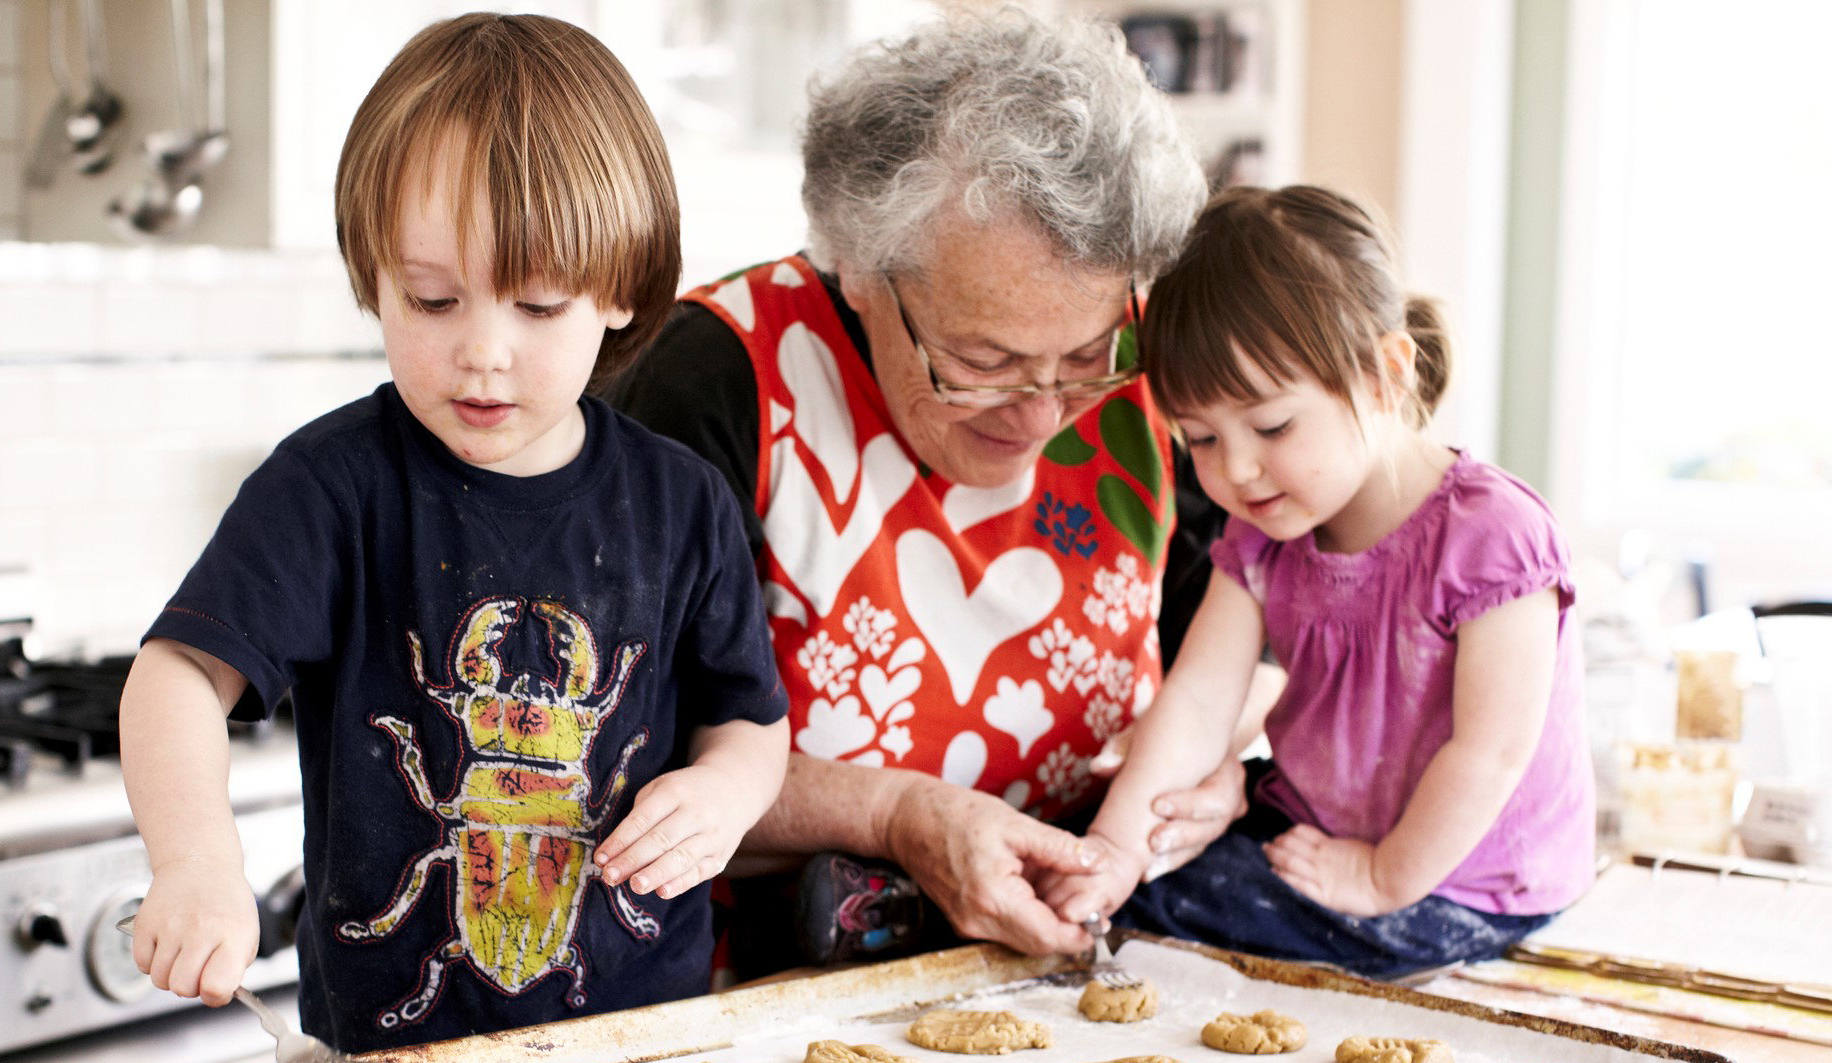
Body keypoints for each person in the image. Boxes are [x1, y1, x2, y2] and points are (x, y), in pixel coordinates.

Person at [117, 14, 790, 1051]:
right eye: (431, 300)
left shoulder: (684, 503)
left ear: (616, 291)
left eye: (535, 303)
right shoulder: (329, 489)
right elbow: (176, 676)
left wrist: (725, 794)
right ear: (371, 279)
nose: (481, 351)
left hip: (641, 1053)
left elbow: (748, 721)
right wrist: (197, 864)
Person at [607, 11, 1255, 968]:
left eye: (1083, 357)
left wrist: (1221, 768)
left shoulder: (1158, 365)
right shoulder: (717, 380)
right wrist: (901, 815)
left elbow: (1242, 637)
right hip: (772, 989)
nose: (1042, 413)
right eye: (981, 362)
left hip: (1090, 961)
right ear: (860, 265)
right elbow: (623, 758)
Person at [1042, 185, 1595, 976]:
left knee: (1176, 909)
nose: (1235, 469)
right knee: (1116, 845)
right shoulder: (1267, 533)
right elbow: (1200, 698)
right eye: (1199, 439)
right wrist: (1116, 847)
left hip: (1463, 878)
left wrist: (1380, 875)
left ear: (1383, 375)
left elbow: (1492, 753)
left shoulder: (1492, 535)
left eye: (1272, 426)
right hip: (1320, 822)